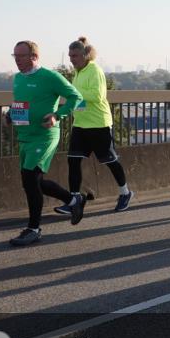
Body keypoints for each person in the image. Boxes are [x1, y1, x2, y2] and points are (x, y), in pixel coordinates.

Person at [7, 41, 85, 246]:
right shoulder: (18, 78)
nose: (17, 60)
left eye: (21, 56)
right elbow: (21, 102)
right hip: (25, 136)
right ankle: (73, 200)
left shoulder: (50, 77)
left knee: (31, 178)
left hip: (45, 135)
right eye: (15, 56)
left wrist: (57, 115)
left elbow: (76, 97)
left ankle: (33, 229)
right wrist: (10, 114)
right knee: (33, 182)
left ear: (34, 56)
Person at [55, 37, 133, 215]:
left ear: (85, 55)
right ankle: (74, 200)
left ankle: (125, 193)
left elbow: (97, 95)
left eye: (75, 56)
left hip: (98, 124)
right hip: (80, 124)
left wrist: (72, 92)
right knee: (73, 160)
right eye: (70, 56)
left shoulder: (94, 70)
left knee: (110, 161)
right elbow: (79, 98)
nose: (71, 59)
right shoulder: (77, 72)